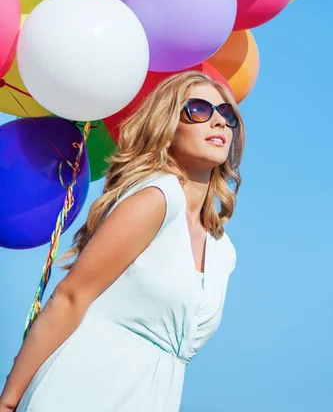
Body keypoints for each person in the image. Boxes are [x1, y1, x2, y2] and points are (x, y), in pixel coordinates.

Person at [0, 70, 245, 412]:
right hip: (80, 388)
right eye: (199, 110)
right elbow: (70, 297)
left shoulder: (222, 252)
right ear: (166, 124)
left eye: (227, 115)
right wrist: (9, 402)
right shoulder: (158, 198)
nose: (218, 121)